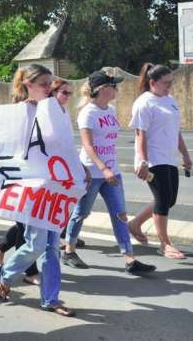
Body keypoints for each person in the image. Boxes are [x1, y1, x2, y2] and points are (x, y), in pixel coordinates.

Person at [0, 64, 74, 317]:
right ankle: (6, 276)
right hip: (32, 188)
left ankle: (50, 298)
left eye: (50, 84)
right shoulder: (20, 112)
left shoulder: (54, 109)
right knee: (36, 245)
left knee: (51, 247)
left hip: (55, 185)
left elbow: (63, 143)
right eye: (43, 84)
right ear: (28, 84)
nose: (49, 88)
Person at [61, 70, 156, 275]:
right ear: (103, 89)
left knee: (120, 214)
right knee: (81, 212)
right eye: (114, 86)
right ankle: (69, 250)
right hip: (92, 173)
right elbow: (88, 146)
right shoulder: (87, 113)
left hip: (112, 172)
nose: (117, 89)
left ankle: (129, 259)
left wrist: (112, 168)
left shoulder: (110, 110)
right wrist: (103, 169)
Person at [126, 63, 192, 260]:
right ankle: (165, 244)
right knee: (163, 200)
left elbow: (175, 131)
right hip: (153, 159)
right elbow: (140, 135)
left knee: (169, 200)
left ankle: (135, 224)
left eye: (171, 83)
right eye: (166, 83)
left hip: (169, 157)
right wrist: (143, 161)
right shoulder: (144, 103)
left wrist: (186, 155)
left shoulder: (170, 100)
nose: (170, 87)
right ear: (152, 82)